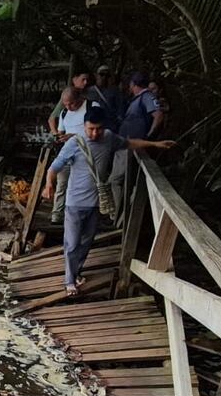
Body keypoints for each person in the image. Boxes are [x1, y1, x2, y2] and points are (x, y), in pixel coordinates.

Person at [42, 106, 175, 296]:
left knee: (87, 242)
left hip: (96, 202)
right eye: (90, 129)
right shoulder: (75, 143)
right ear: (84, 126)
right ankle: (69, 281)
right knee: (71, 243)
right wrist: (48, 185)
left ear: (103, 127)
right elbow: (54, 167)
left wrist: (154, 144)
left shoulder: (109, 137)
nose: (94, 133)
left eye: (98, 129)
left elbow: (129, 143)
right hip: (74, 202)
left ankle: (76, 272)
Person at [109, 72, 165, 221]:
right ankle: (122, 214)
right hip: (126, 144)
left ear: (133, 85)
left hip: (132, 145)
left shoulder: (146, 97)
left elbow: (158, 115)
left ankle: (122, 216)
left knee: (117, 179)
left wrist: (149, 135)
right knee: (125, 180)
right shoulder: (137, 100)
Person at [45, 86, 88, 223]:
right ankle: (57, 215)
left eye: (71, 103)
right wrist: (60, 137)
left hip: (86, 154)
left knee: (82, 186)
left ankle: (80, 216)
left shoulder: (91, 107)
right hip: (68, 152)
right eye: (65, 104)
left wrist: (74, 136)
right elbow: (61, 131)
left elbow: (98, 132)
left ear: (79, 99)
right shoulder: (64, 113)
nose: (68, 107)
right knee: (62, 183)